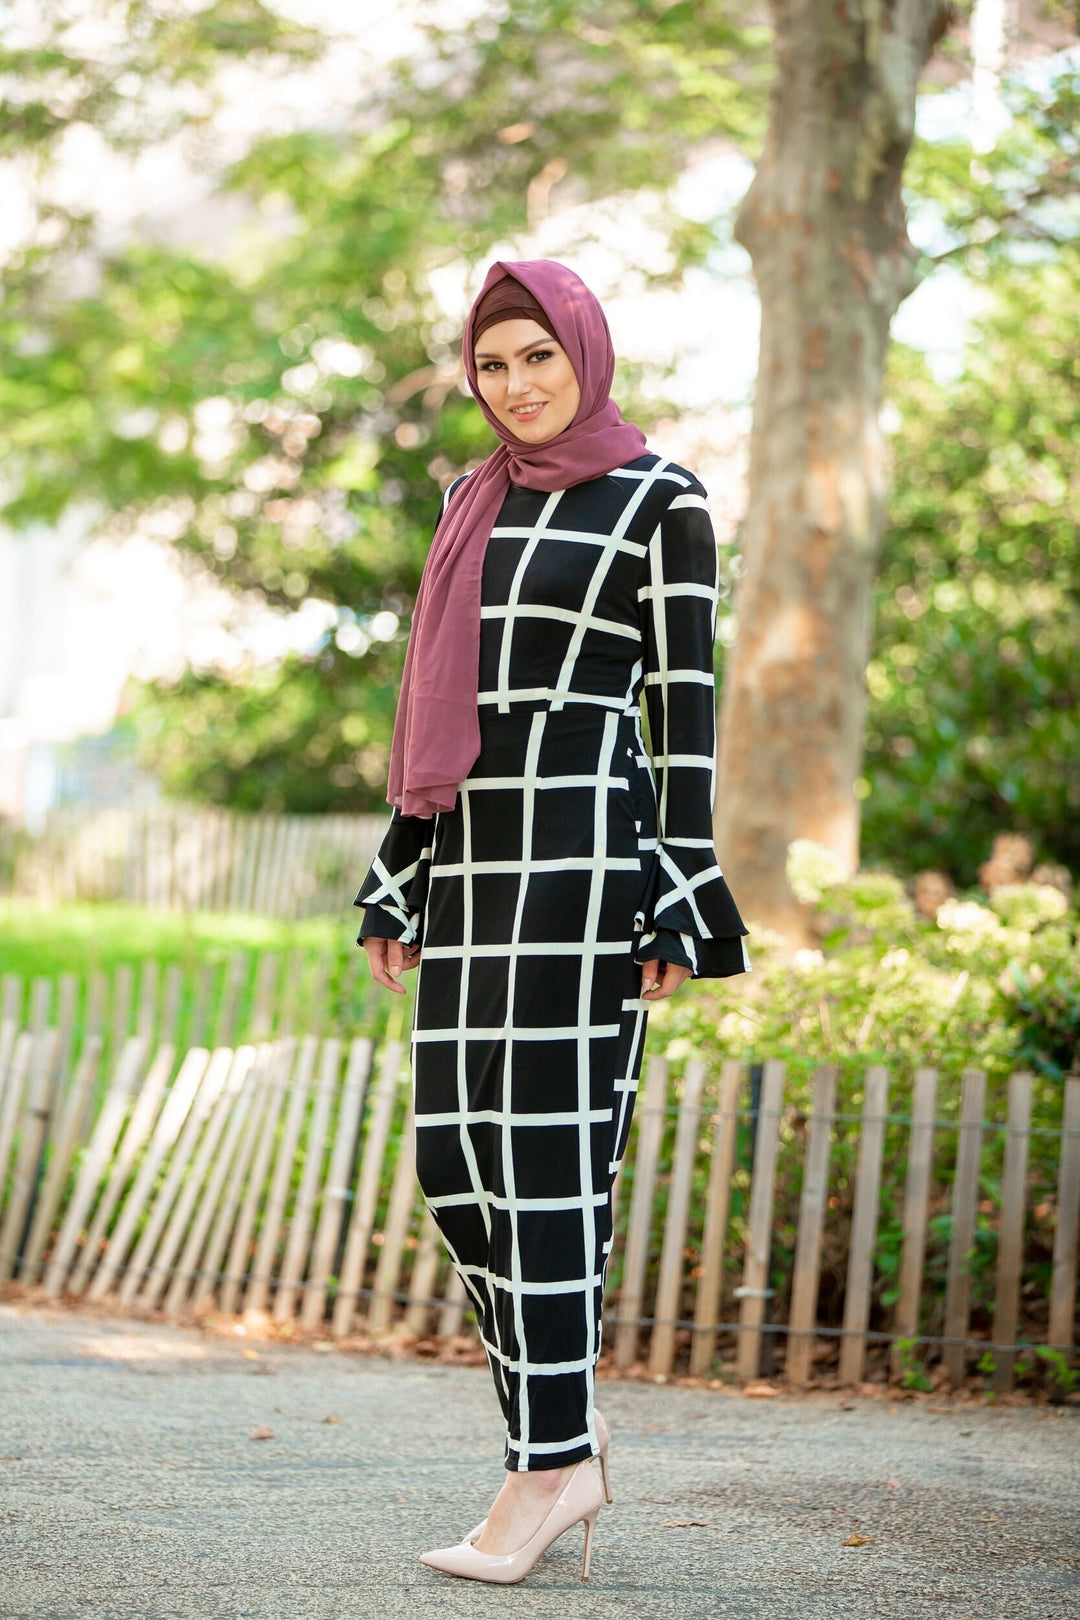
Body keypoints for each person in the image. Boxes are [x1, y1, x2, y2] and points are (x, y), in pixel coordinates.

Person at [355, 258, 750, 1585]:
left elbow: (684, 722)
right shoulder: (476, 501)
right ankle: (555, 1458)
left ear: (586, 352)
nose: (518, 386)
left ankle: (547, 1469)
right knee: (458, 1165)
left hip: (589, 859)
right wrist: (401, 862)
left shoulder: (660, 503)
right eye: (495, 363)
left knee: (549, 1172)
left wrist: (680, 885)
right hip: (472, 860)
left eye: (539, 356)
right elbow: (433, 708)